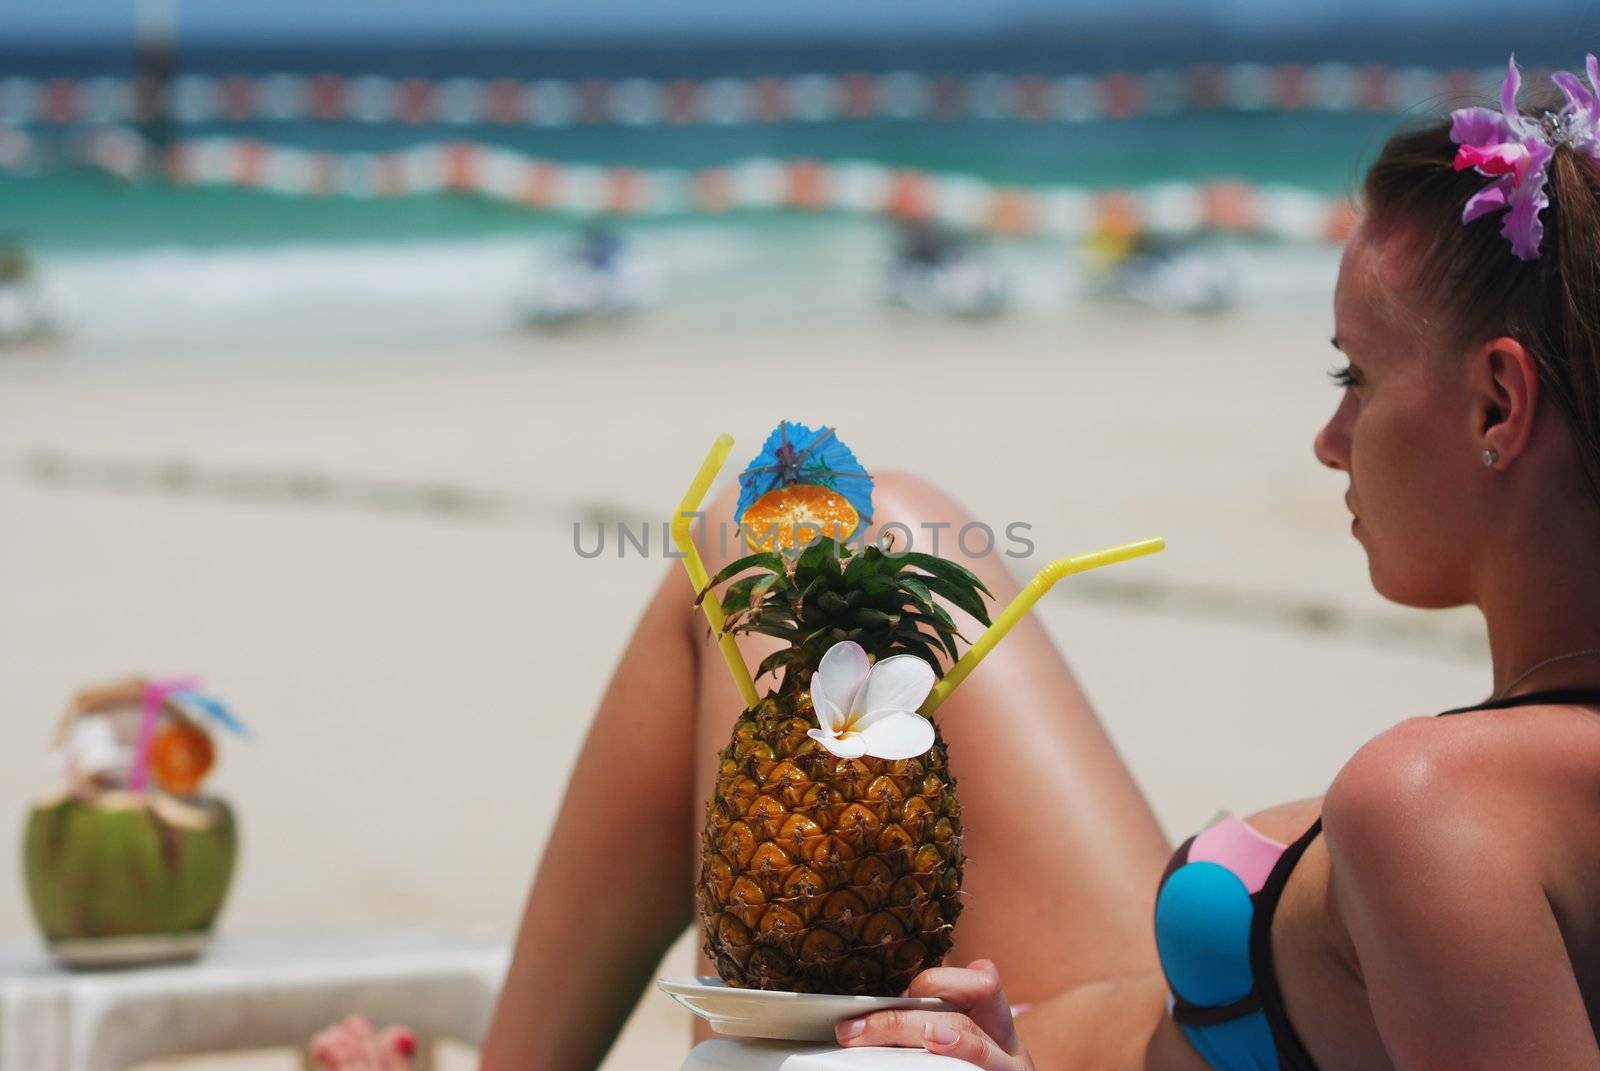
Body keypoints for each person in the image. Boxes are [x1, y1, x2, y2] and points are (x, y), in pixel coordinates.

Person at [316, 55, 1600, 1070]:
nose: (1326, 441)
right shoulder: (1508, 773)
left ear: (1498, 405)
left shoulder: (1437, 810)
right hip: (1069, 1024)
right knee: (833, 527)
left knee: (763, 566)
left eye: (1355, 379)